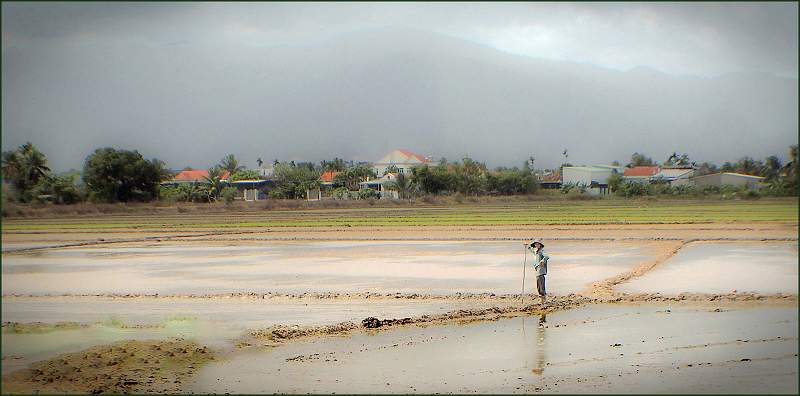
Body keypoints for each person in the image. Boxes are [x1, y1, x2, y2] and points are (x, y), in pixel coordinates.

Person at [525, 239, 549, 303]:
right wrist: (527, 246)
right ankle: (541, 295)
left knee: (541, 281)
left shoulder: (542, 251)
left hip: (541, 269)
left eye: (538, 244)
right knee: (538, 282)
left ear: (540, 245)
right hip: (537, 268)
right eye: (535, 244)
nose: (536, 245)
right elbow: (531, 249)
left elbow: (546, 256)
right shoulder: (536, 251)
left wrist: (542, 261)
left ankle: (543, 295)